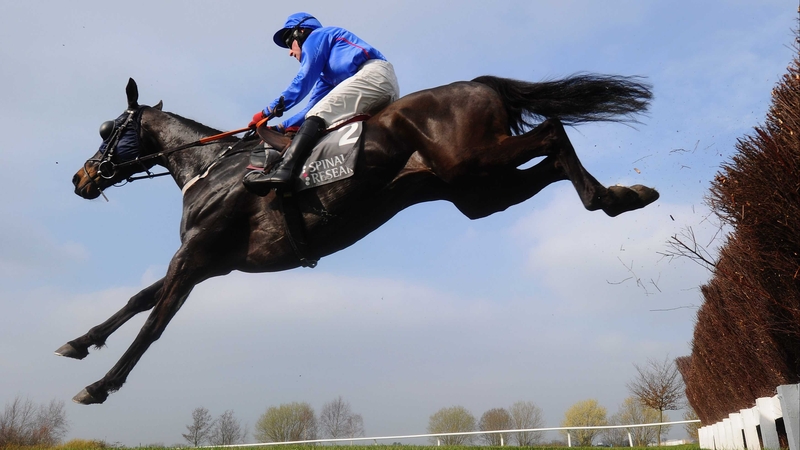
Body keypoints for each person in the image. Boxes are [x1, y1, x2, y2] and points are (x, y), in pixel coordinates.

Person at [243, 12, 400, 194]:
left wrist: (265, 113)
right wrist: (278, 128)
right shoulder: (327, 78)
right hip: (380, 86)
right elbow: (311, 109)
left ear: (300, 32)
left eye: (288, 42)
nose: (290, 52)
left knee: (318, 115)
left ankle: (285, 171)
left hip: (373, 75)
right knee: (318, 117)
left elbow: (302, 82)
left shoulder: (317, 36)